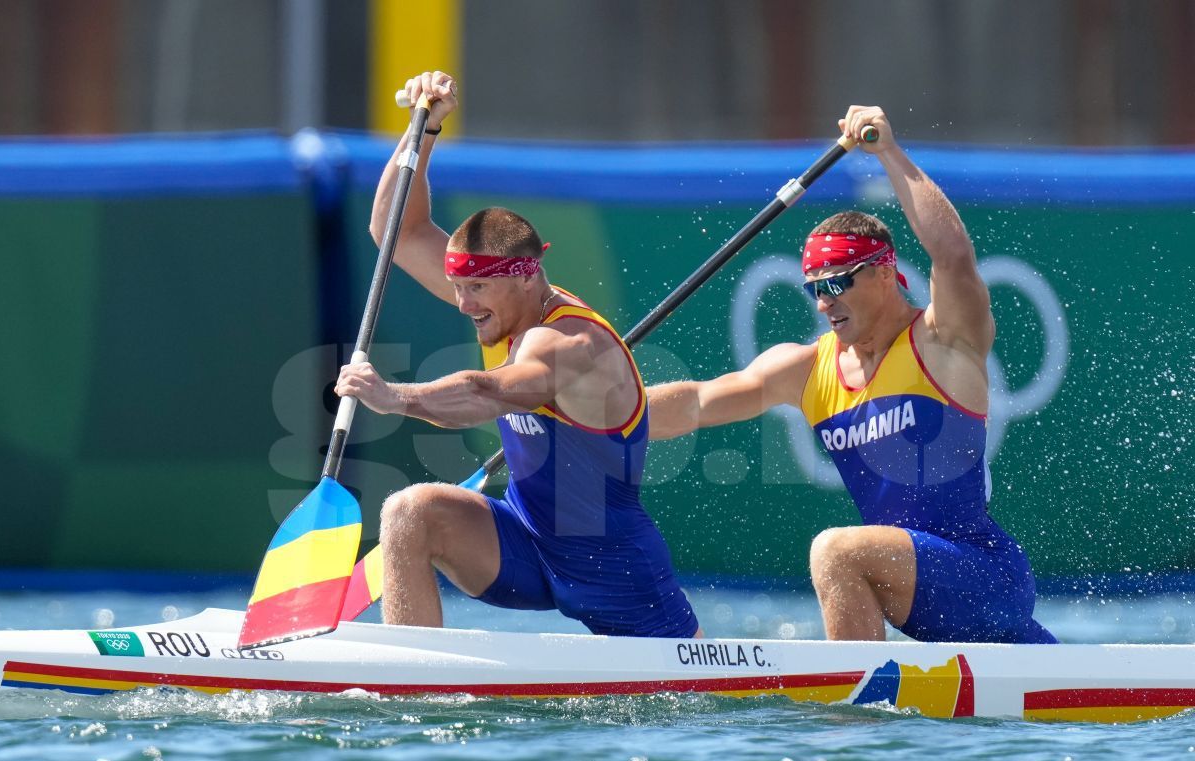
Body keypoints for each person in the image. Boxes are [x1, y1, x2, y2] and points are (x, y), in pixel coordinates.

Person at [647, 106, 1056, 644]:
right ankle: (864, 709)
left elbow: (953, 255)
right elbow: (697, 403)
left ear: (886, 272)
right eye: (814, 287)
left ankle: (851, 710)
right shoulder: (807, 367)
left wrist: (887, 152)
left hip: (984, 576)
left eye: (837, 282)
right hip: (922, 597)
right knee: (845, 553)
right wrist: (579, 414)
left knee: (835, 550)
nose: (824, 303)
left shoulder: (941, 341)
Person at [335, 71, 699, 638]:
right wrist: (423, 129)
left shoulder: (572, 344)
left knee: (688, 707)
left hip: (613, 566)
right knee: (411, 511)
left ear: (526, 276)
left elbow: (485, 393)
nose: (461, 303)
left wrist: (392, 396)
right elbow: (394, 229)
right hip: (525, 542)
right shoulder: (498, 303)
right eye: (457, 286)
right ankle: (410, 674)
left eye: (476, 288)